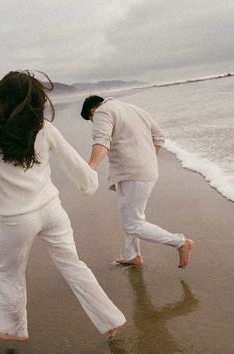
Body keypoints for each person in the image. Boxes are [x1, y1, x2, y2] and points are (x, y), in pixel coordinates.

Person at [0, 72, 126, 342]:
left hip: (15, 219)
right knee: (73, 265)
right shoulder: (43, 126)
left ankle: (15, 328)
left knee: (9, 274)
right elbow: (74, 162)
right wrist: (88, 183)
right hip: (52, 211)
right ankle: (111, 319)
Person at [80, 95, 194, 268]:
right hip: (145, 171)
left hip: (132, 173)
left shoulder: (102, 112)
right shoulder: (134, 109)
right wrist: (146, 159)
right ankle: (133, 256)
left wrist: (89, 169)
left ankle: (180, 242)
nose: (93, 122)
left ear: (92, 111)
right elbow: (159, 137)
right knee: (129, 214)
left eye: (91, 120)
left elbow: (102, 141)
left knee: (132, 224)